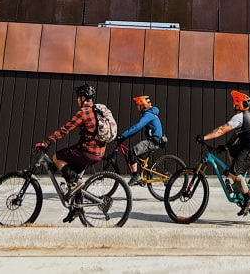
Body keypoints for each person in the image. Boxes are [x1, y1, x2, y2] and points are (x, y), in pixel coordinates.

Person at [34, 84, 106, 223]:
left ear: (83, 97)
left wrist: (47, 142)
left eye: (78, 97)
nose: (76, 100)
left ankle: (75, 183)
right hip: (98, 152)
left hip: (87, 151)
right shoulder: (97, 111)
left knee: (57, 157)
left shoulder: (84, 112)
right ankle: (76, 209)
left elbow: (65, 129)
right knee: (73, 177)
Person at [197, 90, 250, 217]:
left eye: (233, 102)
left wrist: (204, 137)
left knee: (233, 172)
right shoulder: (245, 116)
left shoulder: (239, 117)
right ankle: (238, 183)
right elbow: (236, 134)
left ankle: (248, 199)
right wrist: (226, 146)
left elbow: (222, 129)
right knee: (232, 150)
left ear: (237, 104)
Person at [116, 95, 164, 186]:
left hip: (153, 141)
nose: (137, 107)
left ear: (143, 105)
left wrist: (123, 135)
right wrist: (126, 136)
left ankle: (135, 176)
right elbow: (136, 130)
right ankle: (148, 169)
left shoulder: (148, 115)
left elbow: (137, 127)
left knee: (132, 151)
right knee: (138, 156)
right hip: (154, 140)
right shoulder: (151, 113)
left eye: (138, 105)